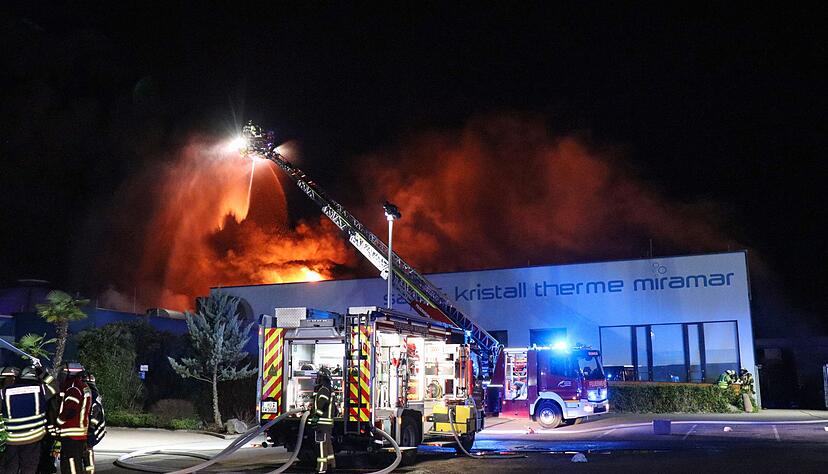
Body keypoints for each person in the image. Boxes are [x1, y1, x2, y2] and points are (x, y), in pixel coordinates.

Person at [0, 365, 48, 474]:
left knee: (10, 468)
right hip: (33, 438)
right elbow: (55, 387)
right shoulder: (40, 389)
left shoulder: (5, 392)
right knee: (29, 469)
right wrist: (43, 373)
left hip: (12, 439)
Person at [56, 362, 92, 474]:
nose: (61, 375)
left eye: (63, 372)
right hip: (78, 434)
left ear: (70, 373)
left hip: (71, 433)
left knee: (70, 465)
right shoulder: (82, 386)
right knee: (75, 463)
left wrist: (58, 421)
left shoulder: (73, 387)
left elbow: (70, 410)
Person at [309, 366, 337, 473]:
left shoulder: (324, 390)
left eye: (319, 377)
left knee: (321, 445)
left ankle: (321, 469)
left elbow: (322, 404)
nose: (317, 379)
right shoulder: (328, 389)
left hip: (322, 422)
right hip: (327, 422)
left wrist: (315, 417)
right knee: (327, 444)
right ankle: (331, 465)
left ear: (322, 378)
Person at [84, 372, 106, 473]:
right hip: (95, 429)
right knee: (88, 450)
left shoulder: (92, 393)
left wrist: (90, 428)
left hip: (92, 430)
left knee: (88, 450)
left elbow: (95, 412)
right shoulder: (94, 392)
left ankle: (89, 471)